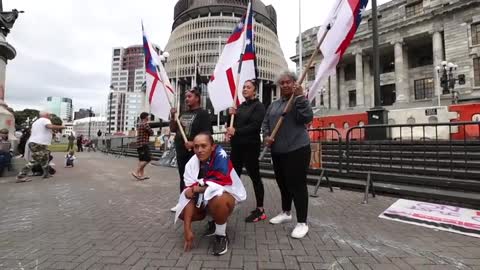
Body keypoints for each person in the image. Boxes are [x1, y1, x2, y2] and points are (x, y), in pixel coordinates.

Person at [175, 132, 246, 255]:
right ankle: (213, 220)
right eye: (196, 146)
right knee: (182, 211)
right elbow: (189, 195)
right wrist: (187, 229)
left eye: (204, 146)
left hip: (228, 198)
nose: (199, 150)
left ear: (212, 147)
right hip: (205, 200)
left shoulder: (221, 158)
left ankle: (220, 235)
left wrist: (199, 189)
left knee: (218, 199)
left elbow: (221, 184)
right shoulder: (192, 163)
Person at [262, 71, 313, 239]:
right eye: (282, 83)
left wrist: (300, 98)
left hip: (297, 149)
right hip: (278, 150)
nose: (285, 85)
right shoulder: (274, 105)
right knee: (282, 183)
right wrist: (266, 137)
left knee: (297, 185)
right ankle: (286, 212)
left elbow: (307, 117)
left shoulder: (298, 100)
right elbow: (266, 123)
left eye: (288, 82)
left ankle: (302, 222)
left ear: (294, 83)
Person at [226, 80, 267, 223]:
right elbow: (231, 126)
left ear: (255, 91)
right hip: (237, 147)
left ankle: (260, 209)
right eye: (243, 87)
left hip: (250, 146)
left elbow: (254, 126)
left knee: (255, 176)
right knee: (233, 176)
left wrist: (236, 131)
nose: (244, 89)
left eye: (248, 87)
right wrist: (229, 115)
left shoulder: (259, 106)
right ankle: (228, 204)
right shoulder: (240, 107)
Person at [170, 87, 213, 211]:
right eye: (186, 97)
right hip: (181, 150)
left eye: (189, 96)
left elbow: (207, 133)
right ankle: (182, 201)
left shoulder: (203, 114)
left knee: (196, 178)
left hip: (195, 153)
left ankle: (198, 203)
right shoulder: (182, 113)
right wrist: (173, 116)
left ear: (197, 98)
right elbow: (174, 129)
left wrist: (194, 143)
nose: (186, 99)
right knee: (183, 176)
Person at [16, 112, 64, 182]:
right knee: (36, 159)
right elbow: (50, 126)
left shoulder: (36, 122)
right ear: (46, 115)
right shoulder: (45, 120)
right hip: (39, 143)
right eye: (49, 115)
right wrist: (62, 127)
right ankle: (21, 176)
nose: (50, 117)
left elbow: (45, 130)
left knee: (45, 158)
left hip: (36, 142)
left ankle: (46, 173)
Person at [131, 112, 154, 180]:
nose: (149, 117)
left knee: (142, 160)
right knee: (148, 159)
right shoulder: (145, 124)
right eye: (148, 116)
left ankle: (141, 175)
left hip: (139, 145)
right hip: (143, 144)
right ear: (145, 117)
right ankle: (136, 172)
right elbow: (151, 132)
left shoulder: (140, 124)